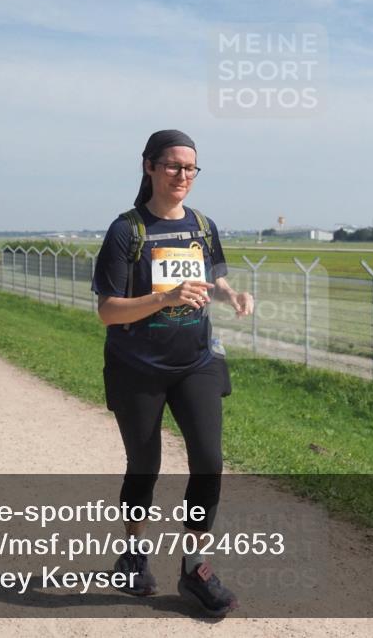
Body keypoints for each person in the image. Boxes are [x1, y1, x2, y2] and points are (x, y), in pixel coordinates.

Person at [92, 129, 253, 617]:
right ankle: (135, 553)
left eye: (190, 168)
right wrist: (165, 297)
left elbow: (213, 276)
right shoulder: (127, 231)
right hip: (137, 367)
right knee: (145, 466)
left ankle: (195, 565)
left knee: (209, 460)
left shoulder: (203, 225)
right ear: (149, 167)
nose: (183, 175)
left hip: (196, 361)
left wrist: (231, 296)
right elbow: (108, 311)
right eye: (173, 166)